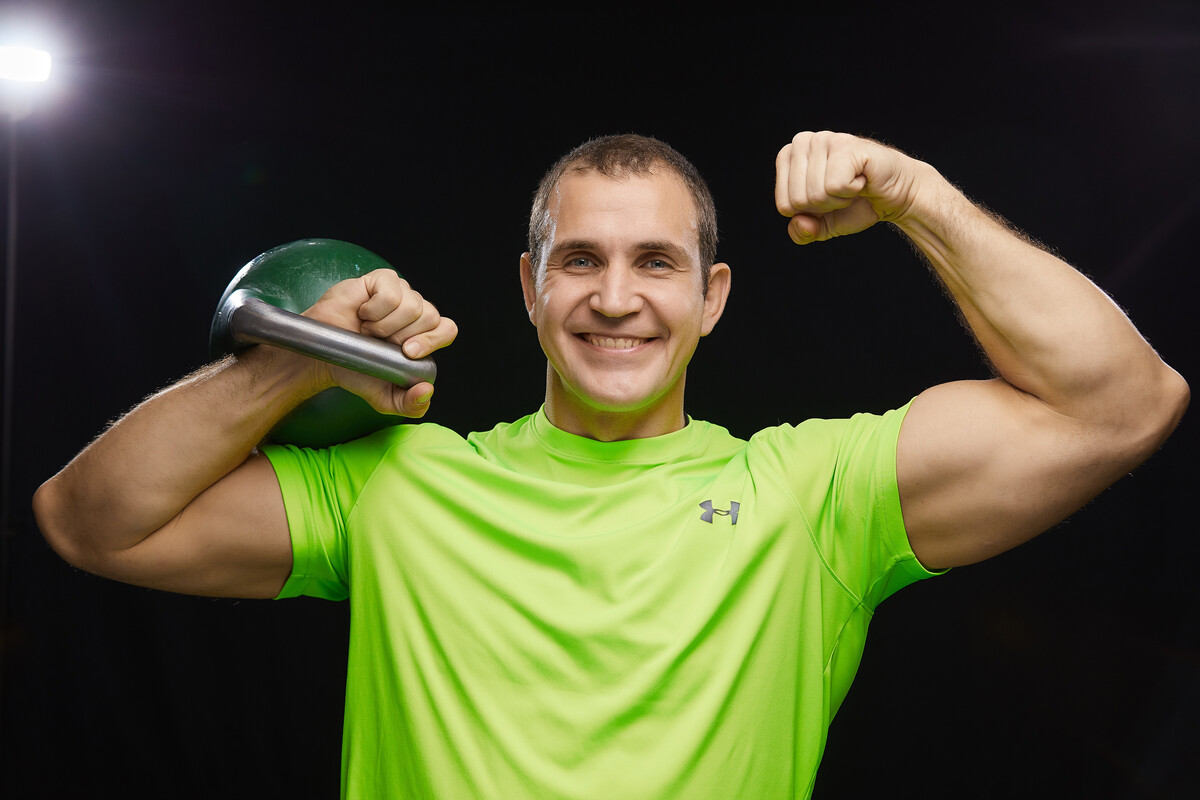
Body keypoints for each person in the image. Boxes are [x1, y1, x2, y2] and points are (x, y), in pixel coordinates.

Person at [33, 131, 1188, 798]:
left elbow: (1123, 405)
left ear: (711, 296)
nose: (617, 297)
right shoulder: (399, 485)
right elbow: (90, 520)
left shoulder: (811, 496)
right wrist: (294, 363)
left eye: (656, 261)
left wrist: (916, 196)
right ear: (531, 288)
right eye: (579, 260)